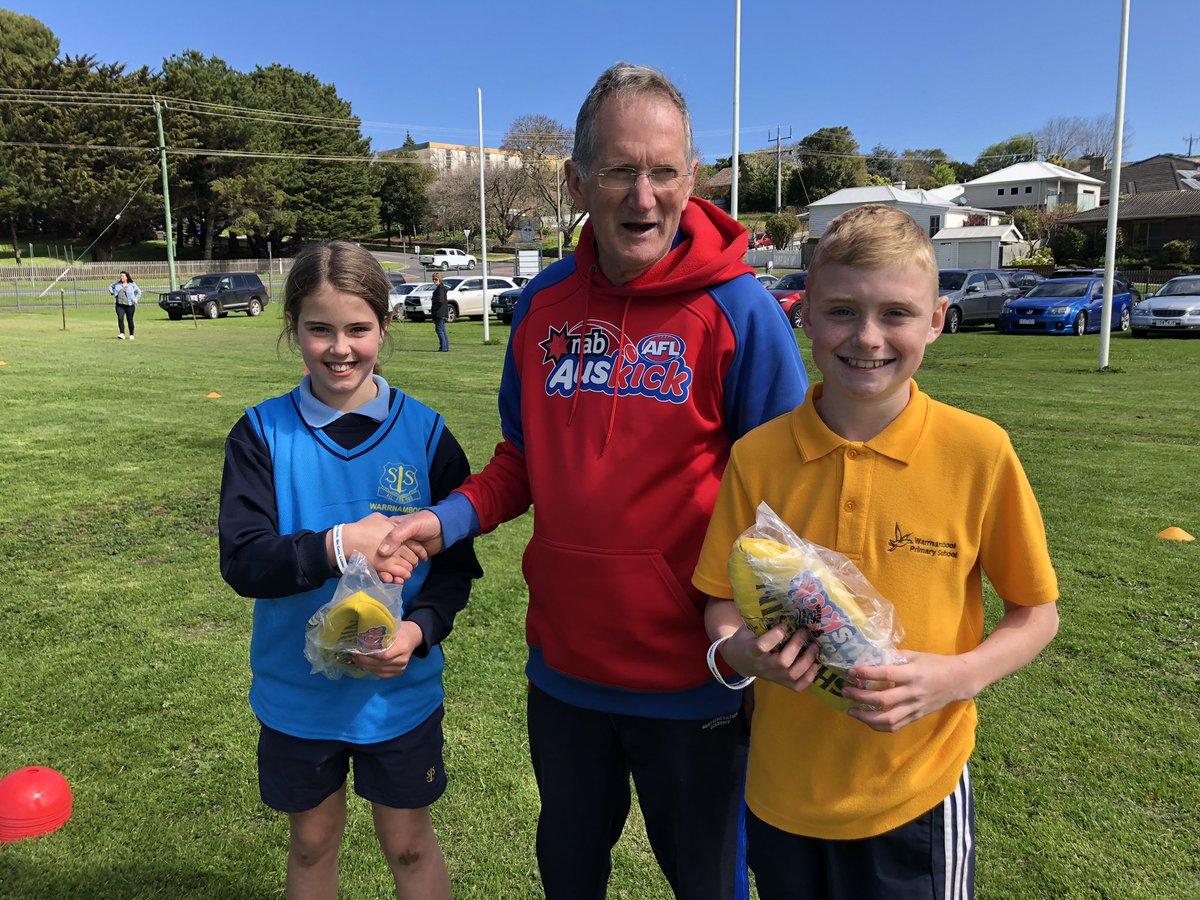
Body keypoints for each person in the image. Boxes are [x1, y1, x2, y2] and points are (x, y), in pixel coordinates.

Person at [377, 62, 809, 899]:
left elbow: (785, 500)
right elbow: (522, 463)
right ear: (578, 180)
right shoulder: (540, 308)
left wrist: (781, 637)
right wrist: (446, 521)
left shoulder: (740, 312)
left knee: (708, 885)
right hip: (566, 677)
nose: (642, 197)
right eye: (618, 170)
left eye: (663, 171)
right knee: (569, 874)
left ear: (692, 179)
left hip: (698, 680)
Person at [692, 204, 1060, 899]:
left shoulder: (978, 452)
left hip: (915, 795)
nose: (867, 338)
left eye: (896, 313)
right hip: (782, 796)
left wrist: (957, 677)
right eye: (840, 311)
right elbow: (721, 600)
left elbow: (1036, 614)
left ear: (936, 321)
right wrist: (739, 653)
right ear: (803, 315)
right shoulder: (758, 456)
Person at [218, 240, 482, 899]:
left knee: (410, 848)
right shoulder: (259, 435)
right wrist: (340, 545)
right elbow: (245, 561)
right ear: (293, 330)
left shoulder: (425, 435)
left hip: (398, 693)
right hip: (297, 695)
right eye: (320, 329)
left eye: (359, 329)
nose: (341, 348)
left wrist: (417, 631)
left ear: (384, 329)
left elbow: (456, 568)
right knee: (311, 844)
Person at [109, 271, 140, 340]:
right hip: (119, 305)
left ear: (127, 277)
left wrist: (135, 299)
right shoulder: (117, 284)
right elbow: (110, 286)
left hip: (129, 305)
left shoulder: (132, 284)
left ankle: (131, 334)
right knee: (120, 318)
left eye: (123, 276)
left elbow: (139, 292)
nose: (121, 277)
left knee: (130, 320)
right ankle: (122, 333)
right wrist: (112, 292)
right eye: (121, 276)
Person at [429, 273, 449, 352]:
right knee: (442, 330)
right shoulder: (441, 288)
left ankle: (443, 347)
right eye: (433, 279)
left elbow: (440, 301)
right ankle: (445, 347)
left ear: (440, 279)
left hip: (439, 313)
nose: (434, 281)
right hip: (441, 312)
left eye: (436, 279)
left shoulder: (440, 288)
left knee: (439, 330)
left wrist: (435, 310)